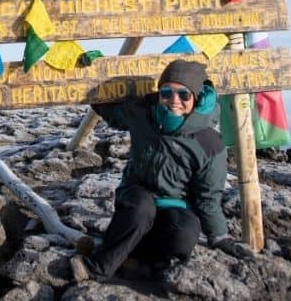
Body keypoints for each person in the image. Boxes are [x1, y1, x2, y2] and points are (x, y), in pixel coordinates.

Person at [71, 59, 252, 282]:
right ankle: (96, 267)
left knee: (184, 235)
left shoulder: (210, 143)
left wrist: (220, 236)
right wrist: (93, 68)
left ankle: (135, 258)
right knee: (140, 210)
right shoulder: (143, 112)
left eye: (183, 95)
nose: (174, 101)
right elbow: (109, 110)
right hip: (137, 192)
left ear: (195, 97)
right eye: (167, 92)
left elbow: (208, 197)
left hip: (177, 203)